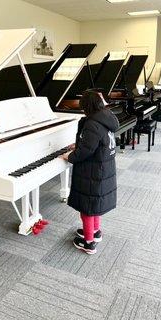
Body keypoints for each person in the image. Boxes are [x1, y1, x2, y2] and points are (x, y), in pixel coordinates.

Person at [60, 89, 119, 254]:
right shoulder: (106, 117)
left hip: (92, 172)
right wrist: (78, 144)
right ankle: (95, 232)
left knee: (86, 208)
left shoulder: (92, 123)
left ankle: (88, 243)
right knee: (95, 205)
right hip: (103, 170)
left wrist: (69, 156)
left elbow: (85, 151)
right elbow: (94, 142)